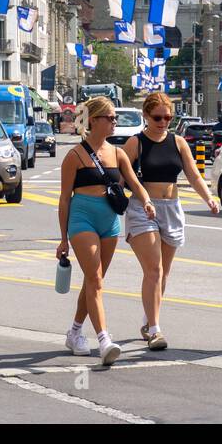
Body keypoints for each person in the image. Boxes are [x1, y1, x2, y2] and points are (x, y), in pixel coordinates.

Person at [57, 97, 154, 366]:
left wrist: (146, 201)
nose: (115, 122)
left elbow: (135, 183)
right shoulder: (74, 156)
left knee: (93, 280)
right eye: (110, 118)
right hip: (82, 218)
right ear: (94, 120)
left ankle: (75, 331)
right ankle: (104, 340)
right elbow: (64, 199)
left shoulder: (118, 153)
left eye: (115, 118)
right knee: (95, 280)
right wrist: (63, 238)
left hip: (109, 221)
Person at [120, 92, 220, 350]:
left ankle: (147, 319)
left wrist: (208, 198)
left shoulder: (178, 142)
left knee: (163, 272)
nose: (163, 122)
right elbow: (120, 177)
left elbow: (194, 176)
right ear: (146, 115)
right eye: (157, 117)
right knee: (153, 270)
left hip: (172, 208)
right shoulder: (135, 143)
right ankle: (155, 330)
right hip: (143, 209)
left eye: (168, 117)